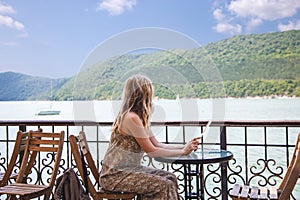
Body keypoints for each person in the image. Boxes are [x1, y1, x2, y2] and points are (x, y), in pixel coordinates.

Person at [99, 74, 201, 200]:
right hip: (115, 176)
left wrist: (185, 147)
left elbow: (157, 145)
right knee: (164, 185)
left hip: (130, 170)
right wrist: (182, 152)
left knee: (171, 178)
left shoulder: (138, 117)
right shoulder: (131, 118)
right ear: (144, 94)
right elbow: (152, 152)